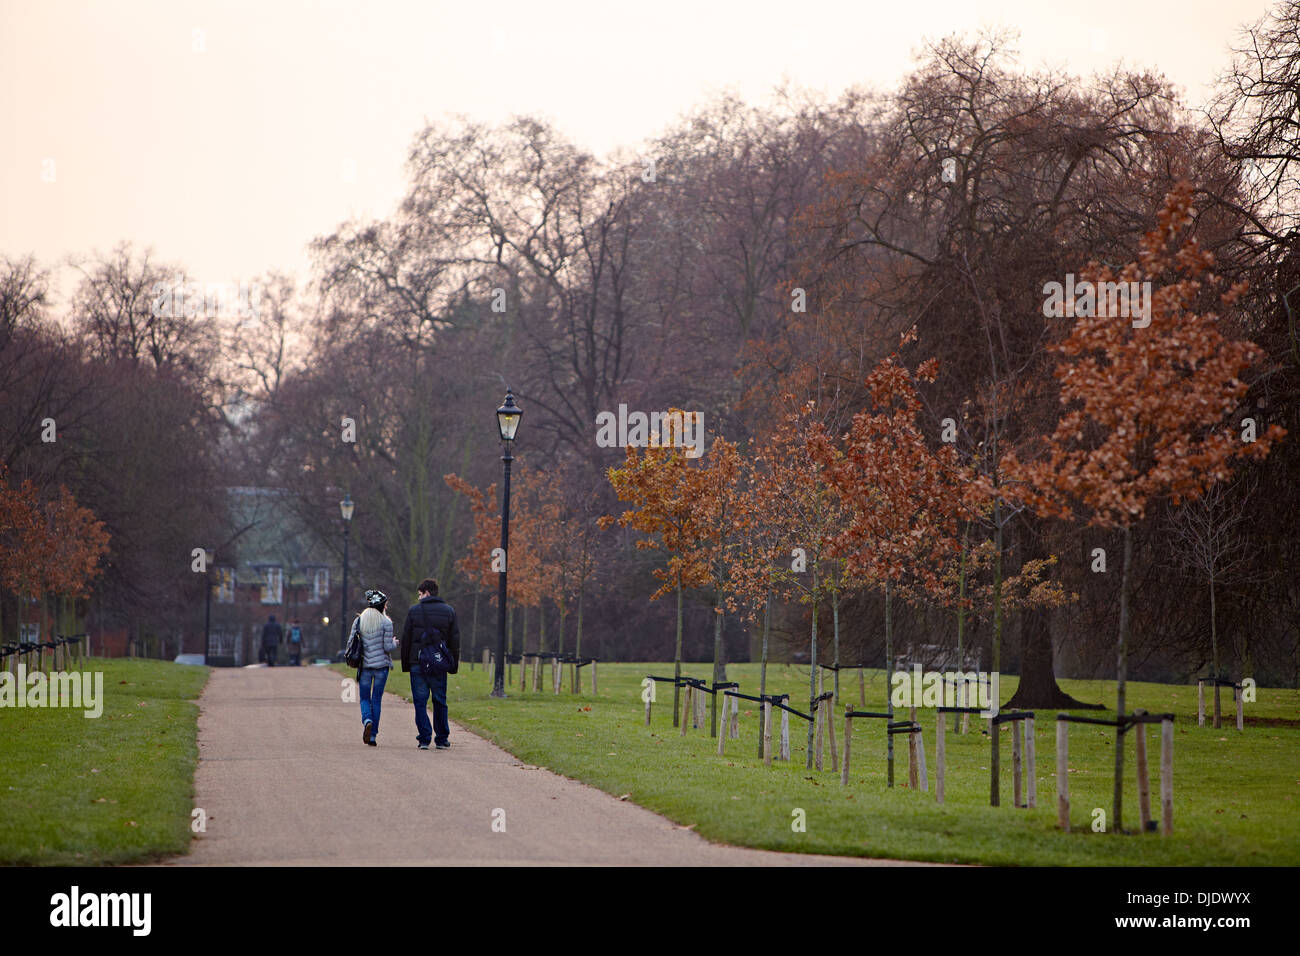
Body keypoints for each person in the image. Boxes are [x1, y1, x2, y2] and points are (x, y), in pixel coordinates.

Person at [400, 578, 460, 750]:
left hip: (418, 663)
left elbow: (407, 640)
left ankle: (424, 738)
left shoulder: (414, 611)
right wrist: (453, 665)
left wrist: (407, 664)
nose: (418, 597)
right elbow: (454, 641)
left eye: (420, 594)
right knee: (440, 700)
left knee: (420, 701)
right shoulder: (449, 612)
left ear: (426, 592)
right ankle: (441, 738)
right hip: (438, 663)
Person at [351, 590, 396, 746]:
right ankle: (373, 736)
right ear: (382, 605)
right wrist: (395, 643)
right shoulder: (386, 622)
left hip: (365, 666)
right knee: (376, 699)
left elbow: (351, 643)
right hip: (381, 666)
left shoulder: (359, 621)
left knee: (364, 698)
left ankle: (367, 720)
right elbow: (388, 647)